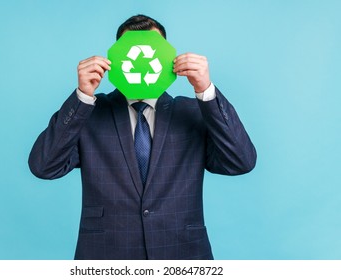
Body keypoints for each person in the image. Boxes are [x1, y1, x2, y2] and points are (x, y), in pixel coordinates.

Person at [28, 14, 257, 260]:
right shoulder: (90, 114)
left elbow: (240, 161)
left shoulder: (192, 112)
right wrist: (83, 96)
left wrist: (206, 90)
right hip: (106, 256)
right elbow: (44, 166)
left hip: (182, 253)